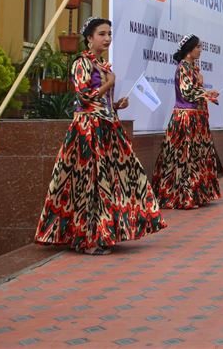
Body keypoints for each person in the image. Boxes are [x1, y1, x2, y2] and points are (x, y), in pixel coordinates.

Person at [36, 17, 165, 252]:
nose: (107, 38)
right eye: (102, 34)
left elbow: (99, 99)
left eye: (109, 34)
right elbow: (84, 97)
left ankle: (105, 231)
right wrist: (109, 84)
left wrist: (116, 104)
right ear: (89, 38)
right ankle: (88, 239)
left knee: (114, 180)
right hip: (87, 130)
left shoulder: (102, 65)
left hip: (106, 127)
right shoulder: (81, 63)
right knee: (90, 184)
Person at [153, 34, 222, 209]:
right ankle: (182, 195)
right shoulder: (183, 67)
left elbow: (195, 91)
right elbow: (187, 93)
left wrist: (206, 92)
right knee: (185, 156)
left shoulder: (192, 68)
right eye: (198, 47)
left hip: (195, 117)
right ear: (189, 49)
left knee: (195, 156)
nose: (200, 50)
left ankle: (195, 193)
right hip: (185, 118)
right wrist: (206, 94)